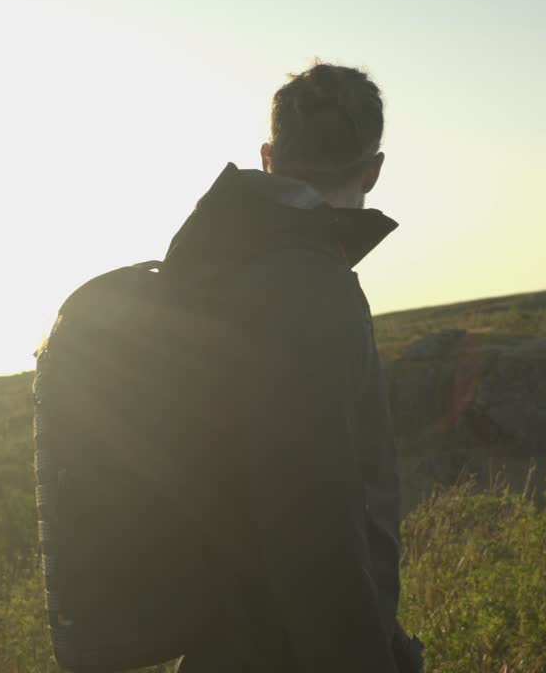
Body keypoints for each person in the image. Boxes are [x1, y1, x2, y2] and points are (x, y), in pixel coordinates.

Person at [163, 62, 423, 673]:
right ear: (374, 170)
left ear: (268, 157)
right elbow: (315, 525)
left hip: (223, 644)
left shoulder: (213, 274)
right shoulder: (310, 288)